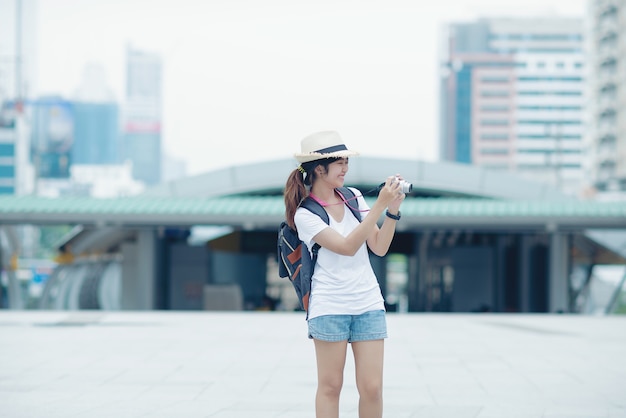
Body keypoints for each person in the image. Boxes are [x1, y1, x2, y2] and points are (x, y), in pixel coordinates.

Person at [284, 130, 405, 418]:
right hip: (329, 306)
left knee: (373, 388)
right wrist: (378, 205)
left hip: (368, 303)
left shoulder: (353, 198)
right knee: (330, 387)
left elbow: (379, 246)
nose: (345, 169)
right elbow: (348, 247)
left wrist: (392, 211)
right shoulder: (305, 214)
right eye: (340, 163)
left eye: (346, 162)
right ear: (319, 168)